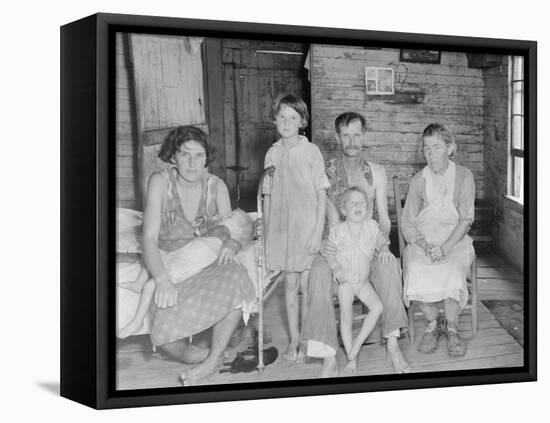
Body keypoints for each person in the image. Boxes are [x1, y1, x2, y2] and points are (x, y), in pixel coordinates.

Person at [141, 125, 256, 385]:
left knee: (237, 275)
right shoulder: (160, 182)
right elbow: (148, 238)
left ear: (207, 158)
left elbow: (235, 232)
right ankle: (201, 355)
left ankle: (213, 360)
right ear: (173, 156)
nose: (192, 163)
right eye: (185, 154)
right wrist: (161, 279)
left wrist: (232, 245)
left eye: (199, 155)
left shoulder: (217, 187)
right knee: (166, 340)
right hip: (173, 266)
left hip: (206, 262)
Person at [301, 112, 410, 377]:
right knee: (317, 272)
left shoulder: (376, 172)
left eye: (357, 134)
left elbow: (384, 220)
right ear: (338, 137)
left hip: (368, 243)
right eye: (346, 135)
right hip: (336, 246)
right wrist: (336, 254)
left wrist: (380, 247)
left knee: (389, 266)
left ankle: (393, 344)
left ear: (364, 136)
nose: (351, 141)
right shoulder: (326, 172)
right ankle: (328, 354)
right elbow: (331, 221)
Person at [262, 93, 329, 362]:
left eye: (293, 117)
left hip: (306, 229)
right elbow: (266, 195)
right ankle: (293, 339)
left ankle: (306, 341)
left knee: (305, 285)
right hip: (282, 230)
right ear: (275, 120)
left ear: (302, 121)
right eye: (282, 117)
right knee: (289, 285)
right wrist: (268, 233)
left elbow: (322, 194)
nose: (287, 122)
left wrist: (317, 232)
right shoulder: (272, 153)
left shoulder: (311, 151)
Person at [117, 210, 255, 340]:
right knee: (154, 252)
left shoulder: (227, 236)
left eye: (230, 217)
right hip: (186, 253)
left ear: (237, 230)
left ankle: (138, 321)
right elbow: (198, 232)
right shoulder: (219, 230)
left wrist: (230, 246)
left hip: (189, 262)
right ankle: (138, 283)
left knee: (151, 285)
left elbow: (232, 247)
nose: (225, 215)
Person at [401, 123, 475, 357]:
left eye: (437, 147)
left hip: (455, 239)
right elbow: (407, 222)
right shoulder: (418, 180)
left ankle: (451, 328)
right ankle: (433, 325)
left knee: (452, 267)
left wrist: (445, 248)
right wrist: (424, 244)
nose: (431, 155)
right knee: (415, 266)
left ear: (450, 149)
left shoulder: (464, 176)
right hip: (425, 240)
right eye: (426, 149)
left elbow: (466, 219)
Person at [326, 186, 388, 373]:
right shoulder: (338, 230)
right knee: (346, 315)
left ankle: (356, 346)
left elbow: (382, 241)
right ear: (344, 210)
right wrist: (336, 267)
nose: (358, 205)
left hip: (362, 282)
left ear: (368, 208)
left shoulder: (371, 226)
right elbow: (329, 253)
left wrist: (384, 250)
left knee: (378, 307)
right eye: (352, 203)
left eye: (361, 202)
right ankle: (350, 358)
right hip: (345, 281)